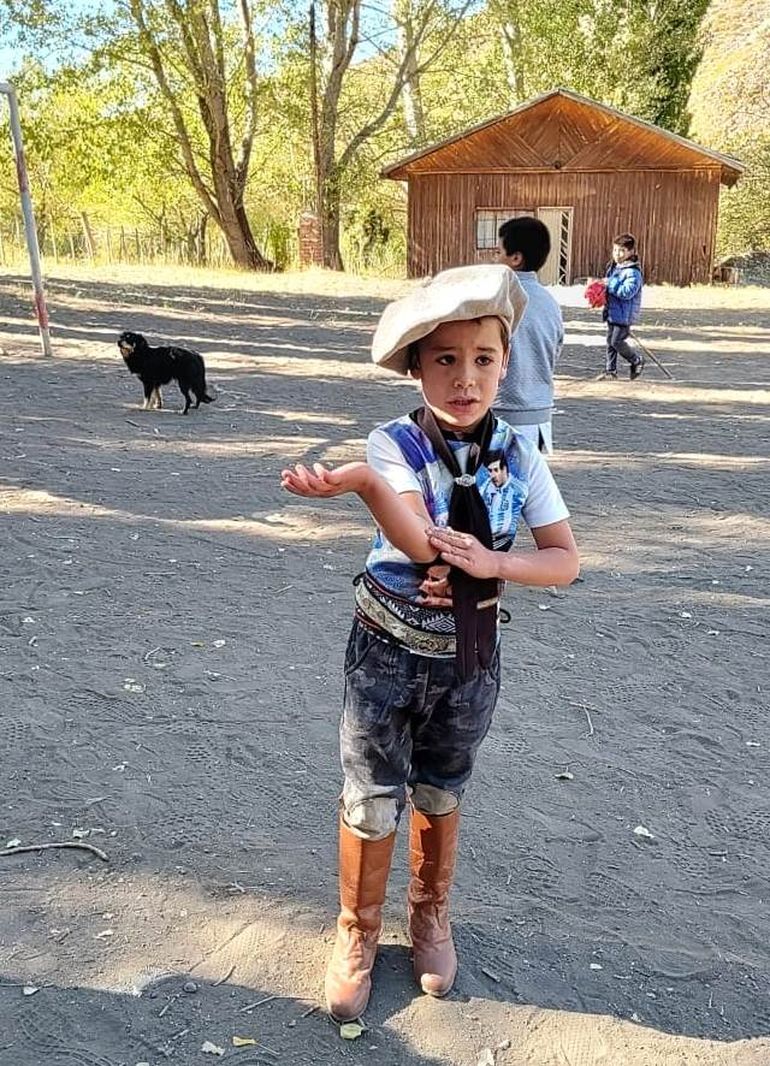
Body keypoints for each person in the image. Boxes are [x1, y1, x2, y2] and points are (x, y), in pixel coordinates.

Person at [281, 264, 580, 1023]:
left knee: (442, 789)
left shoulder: (521, 454)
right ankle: (357, 929)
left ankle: (429, 916)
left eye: (483, 358)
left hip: (469, 662)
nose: (465, 378)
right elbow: (418, 542)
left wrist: (492, 565)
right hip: (386, 655)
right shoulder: (394, 445)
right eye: (445, 359)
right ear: (415, 366)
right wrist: (365, 484)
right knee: (370, 797)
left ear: (506, 364)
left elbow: (563, 560)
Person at [496, 216, 564, 454]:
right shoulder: (551, 303)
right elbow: (555, 350)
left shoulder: (497, 300)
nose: (495, 259)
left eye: (498, 252)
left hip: (501, 413)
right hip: (539, 417)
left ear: (515, 258)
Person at [602, 233, 644, 380]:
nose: (617, 254)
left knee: (617, 341)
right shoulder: (615, 268)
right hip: (612, 313)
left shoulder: (633, 272)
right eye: (615, 250)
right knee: (610, 342)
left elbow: (627, 292)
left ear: (631, 252)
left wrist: (610, 283)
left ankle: (636, 360)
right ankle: (610, 371)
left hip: (624, 315)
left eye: (621, 251)